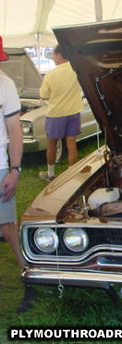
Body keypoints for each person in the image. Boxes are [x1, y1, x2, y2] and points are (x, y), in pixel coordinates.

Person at [39, 45, 83, 181]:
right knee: (71, 143)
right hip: (74, 111)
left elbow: (44, 95)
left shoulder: (51, 74)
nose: (52, 58)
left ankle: (51, 174)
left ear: (59, 55)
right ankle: (71, 176)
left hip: (56, 114)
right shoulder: (76, 71)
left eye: (53, 55)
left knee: (52, 144)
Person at [0, 34, 25, 267]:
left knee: (7, 227)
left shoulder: (5, 84)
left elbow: (15, 130)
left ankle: (28, 273)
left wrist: (15, 170)